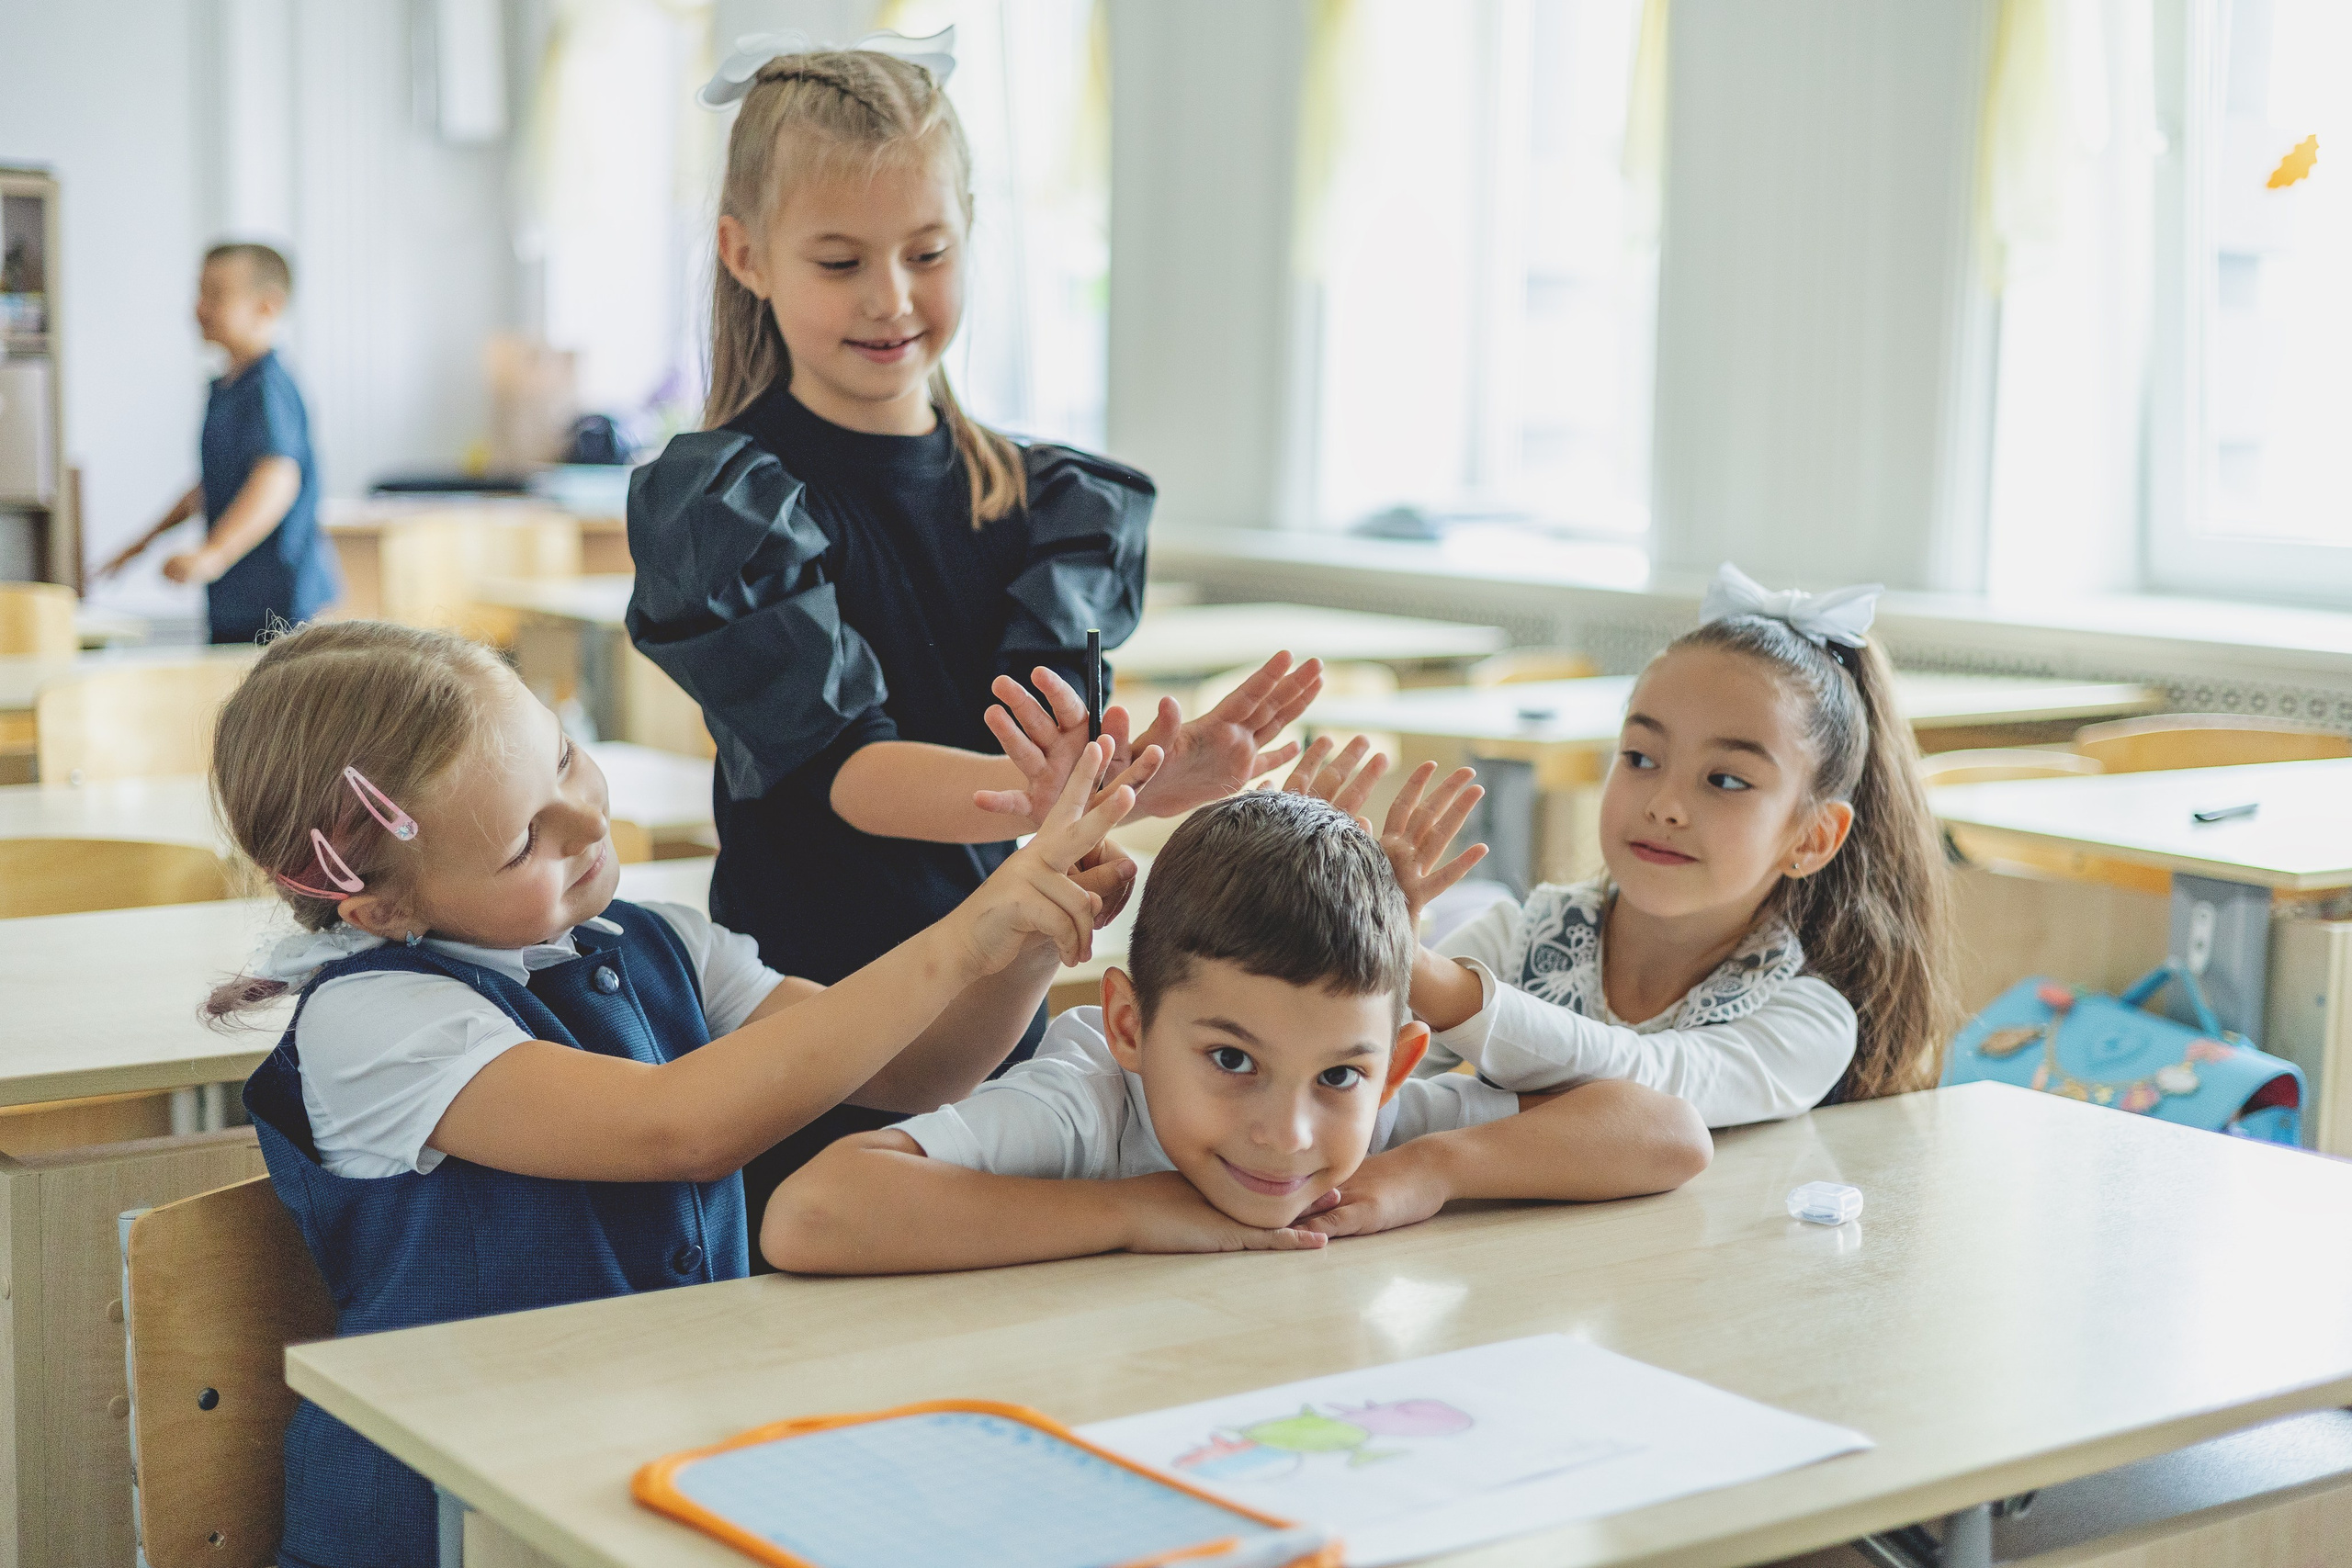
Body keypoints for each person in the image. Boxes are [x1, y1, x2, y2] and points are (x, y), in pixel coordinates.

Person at [209, 621, 1135, 1568]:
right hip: (443, 1520)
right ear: (384, 908)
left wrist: (1030, 926)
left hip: (655, 1475)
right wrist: (964, 934)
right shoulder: (370, 1026)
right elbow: (680, 1128)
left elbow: (919, 1069)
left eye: (565, 758)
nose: (587, 820)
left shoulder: (658, 942)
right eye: (528, 838)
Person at [626, 37, 1319, 1183]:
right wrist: (1068, 797)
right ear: (744, 255)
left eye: (928, 252)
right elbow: (847, 772)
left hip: (1005, 1008)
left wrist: (1136, 779)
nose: (891, 298)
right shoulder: (728, 504)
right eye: (839, 260)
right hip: (814, 1014)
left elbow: (1052, 743)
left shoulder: (1056, 505)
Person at [763, 791, 1713, 1274]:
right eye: (1230, 1060)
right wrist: (1133, 1213)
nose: (1286, 1133)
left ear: (1396, 1068)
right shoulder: (1091, 1101)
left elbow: (1670, 1134)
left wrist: (1432, 1171)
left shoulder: (1364, 1139)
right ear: (1131, 1025)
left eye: (1341, 1077)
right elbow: (811, 1215)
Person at [1392, 564, 1959, 1125]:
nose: (1665, 804)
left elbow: (1654, 1092)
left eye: (1726, 780)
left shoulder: (1807, 1022)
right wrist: (1347, 921)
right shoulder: (1508, 941)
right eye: (1640, 758)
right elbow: (1351, 1087)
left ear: (1813, 838)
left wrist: (1436, 985)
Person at [96, 242, 337, 642]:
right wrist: (140, 545)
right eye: (199, 293)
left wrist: (215, 553)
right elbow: (214, 484)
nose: (199, 308)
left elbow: (277, 479)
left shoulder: (267, 388)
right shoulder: (229, 388)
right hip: (235, 600)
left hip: (280, 602)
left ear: (267, 307)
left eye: (215, 295)